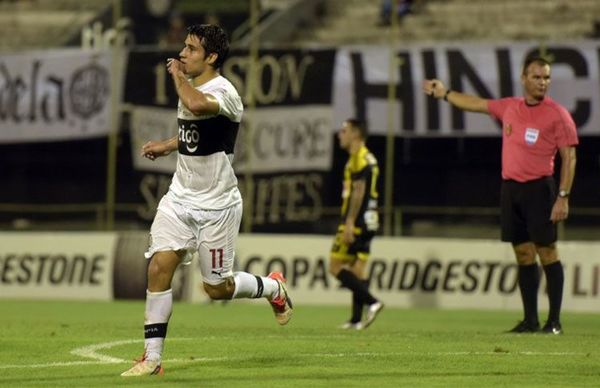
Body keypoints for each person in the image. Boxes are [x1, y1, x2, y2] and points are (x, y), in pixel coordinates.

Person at [121, 24, 293, 377]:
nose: (183, 54)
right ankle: (152, 359)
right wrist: (166, 146)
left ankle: (273, 287)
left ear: (211, 57)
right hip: (180, 199)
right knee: (158, 267)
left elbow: (195, 106)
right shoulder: (194, 88)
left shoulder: (223, 92)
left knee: (217, 288)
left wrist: (176, 77)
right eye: (183, 48)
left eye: (191, 49)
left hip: (217, 206)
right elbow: (194, 133)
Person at [422, 56, 578, 335]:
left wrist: (563, 196)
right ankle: (530, 321)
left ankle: (553, 322)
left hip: (540, 189)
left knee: (547, 252)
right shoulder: (510, 107)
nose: (543, 82)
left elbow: (570, 157)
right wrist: (444, 93)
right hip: (511, 189)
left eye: (546, 78)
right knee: (523, 254)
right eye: (537, 77)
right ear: (523, 78)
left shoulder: (558, 114)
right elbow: (476, 103)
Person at [329, 119, 384, 330]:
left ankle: (373, 302)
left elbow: (359, 192)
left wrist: (350, 223)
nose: (339, 134)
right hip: (370, 221)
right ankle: (356, 319)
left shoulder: (360, 159)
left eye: (344, 131)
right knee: (357, 270)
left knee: (335, 267)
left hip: (357, 221)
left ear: (355, 134)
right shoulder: (364, 157)